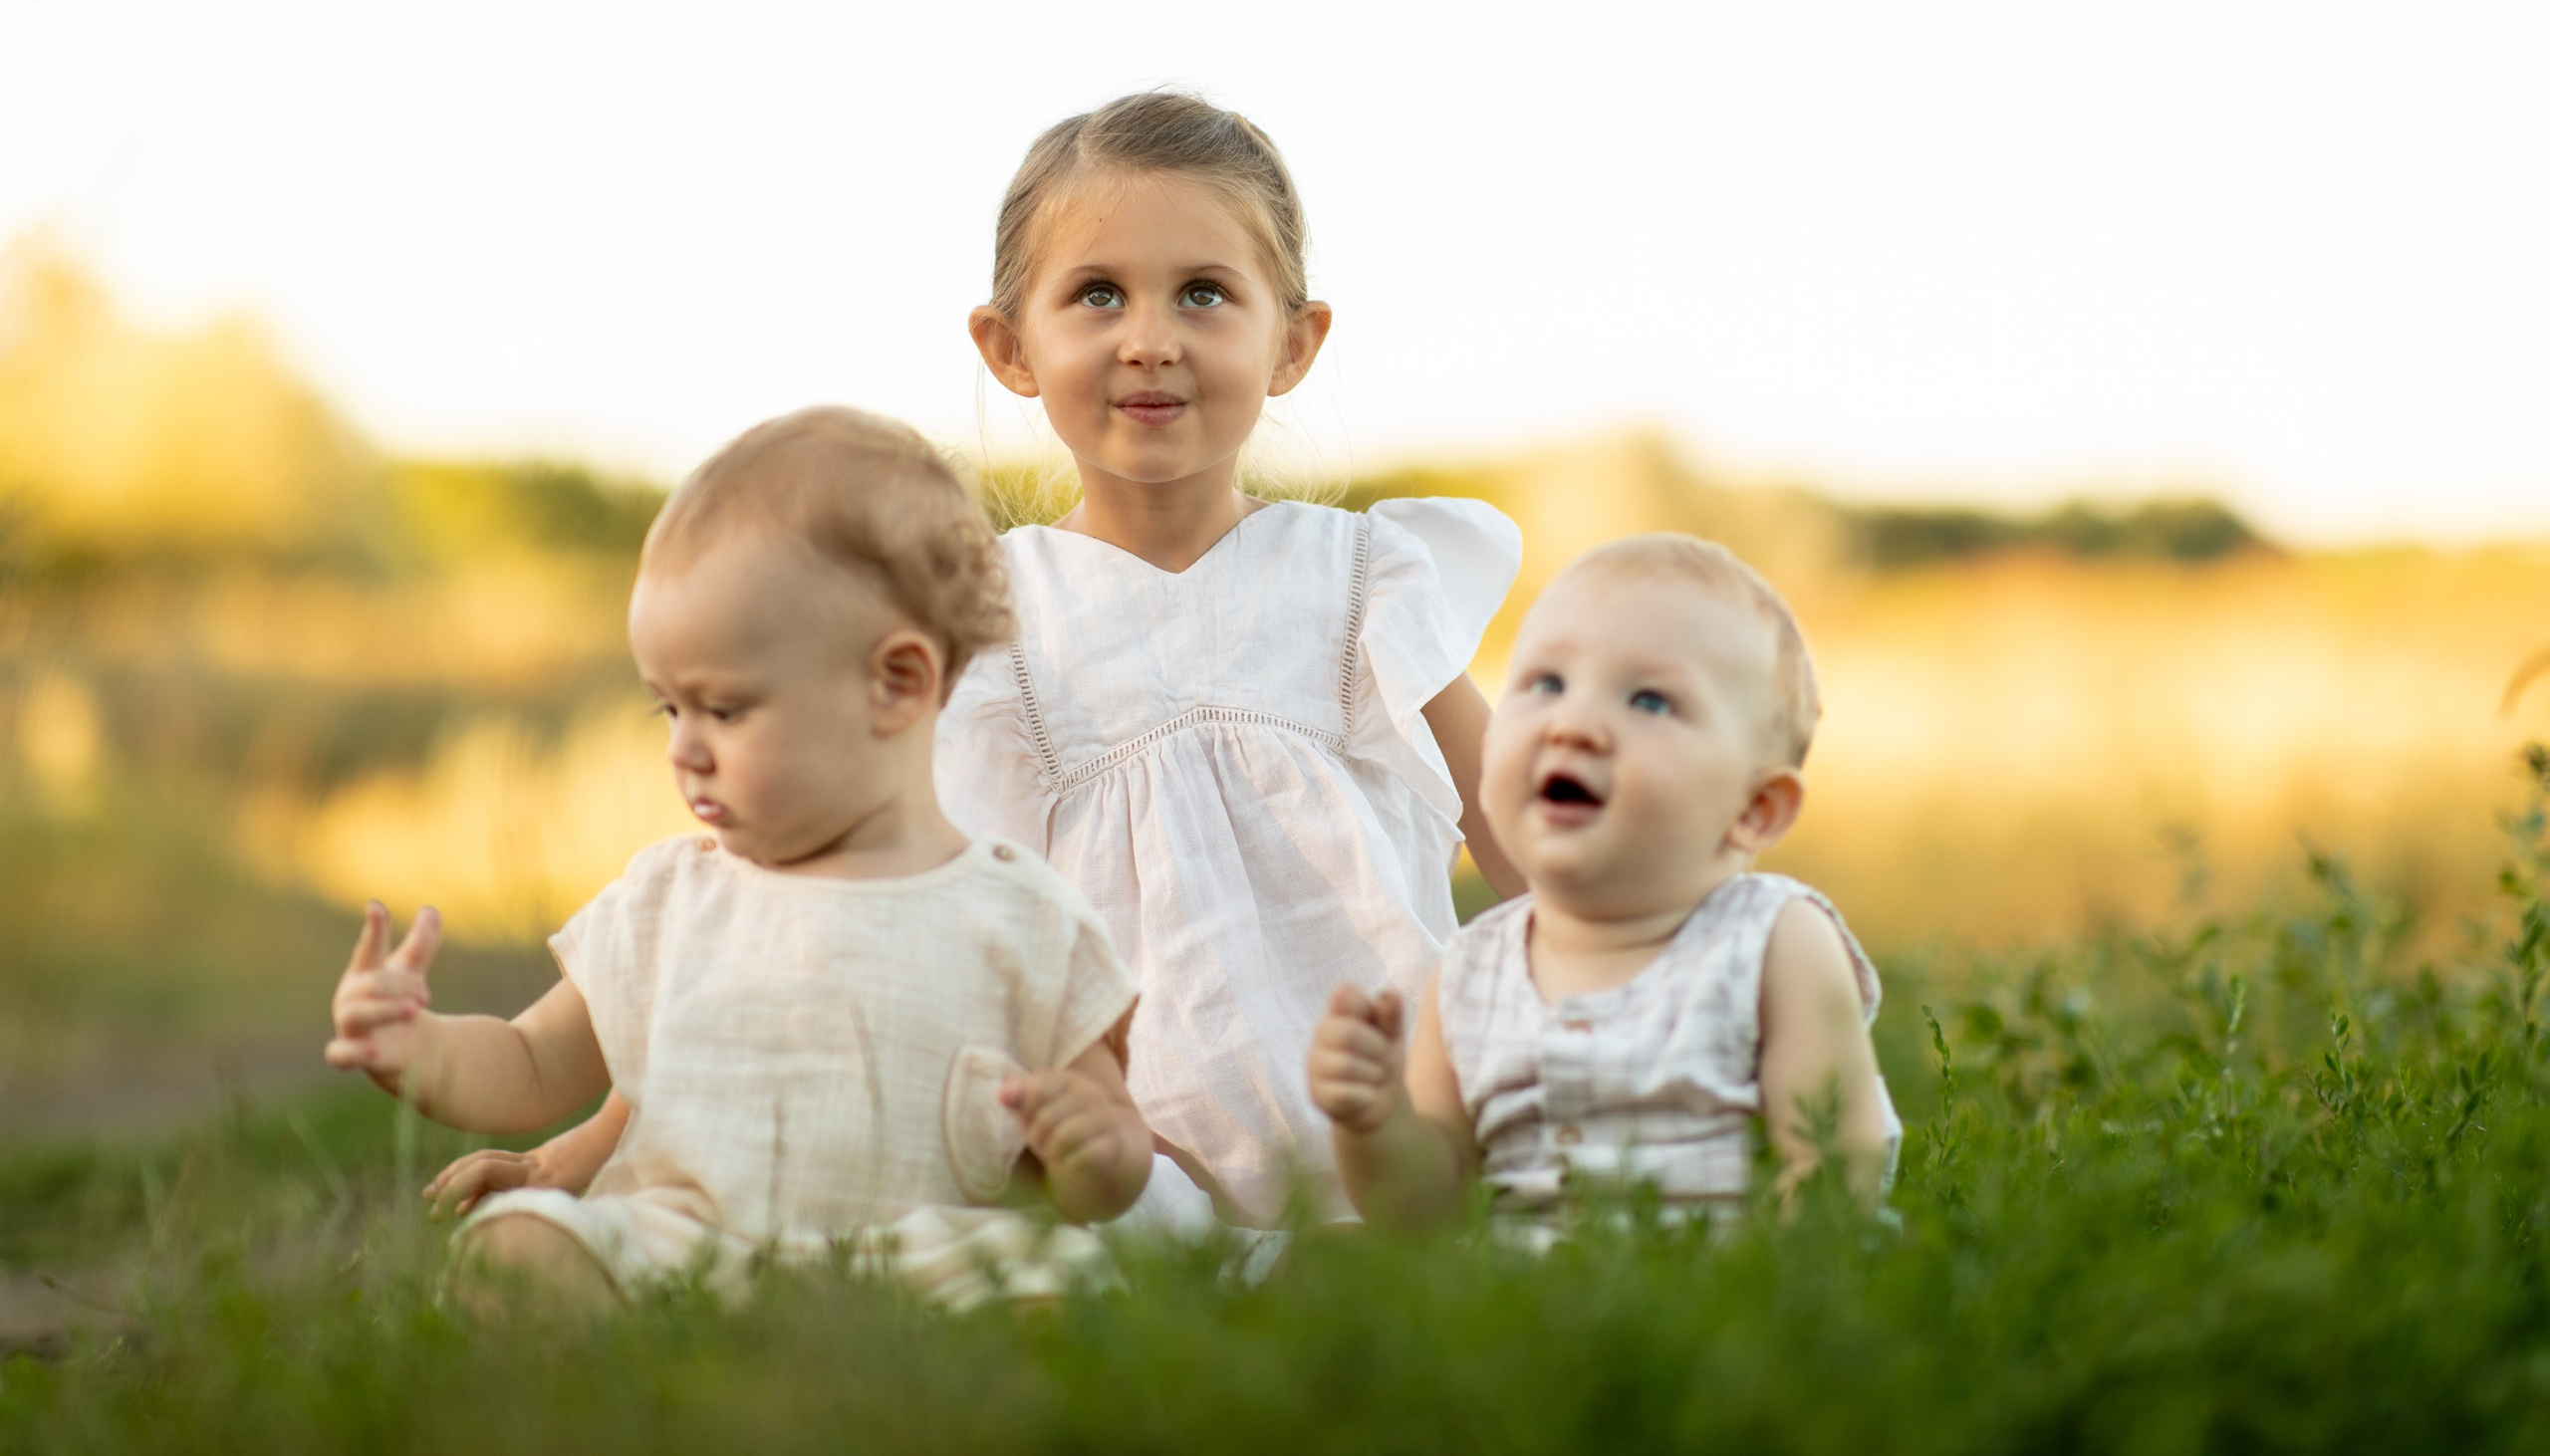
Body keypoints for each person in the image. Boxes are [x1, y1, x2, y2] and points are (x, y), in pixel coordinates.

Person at [430, 91, 1526, 1231]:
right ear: (1011, 348)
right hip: (1124, 1142)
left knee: (1487, 1194)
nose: (1148, 336)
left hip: (1384, 1105)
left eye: (1203, 293)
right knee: (1065, 1205)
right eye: (1097, 294)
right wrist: (595, 1140)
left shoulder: (1360, 576)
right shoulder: (990, 622)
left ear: (1292, 342)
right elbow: (821, 895)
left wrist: (1644, 976)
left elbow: (1523, 829)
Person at [332, 408, 1153, 1310]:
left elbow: (1111, 1136)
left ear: (897, 684)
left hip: (917, 1268)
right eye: (667, 709)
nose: (683, 746)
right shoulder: (670, 900)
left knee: (1071, 1277)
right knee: (522, 1245)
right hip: (685, 1249)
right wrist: (417, 1047)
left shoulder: (1024, 917)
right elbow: (530, 1063)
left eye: (722, 709)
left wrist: (1099, 1155)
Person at [1306, 535, 1900, 1238]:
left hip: (1718, 1307)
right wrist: (1374, 1121)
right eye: (1547, 684)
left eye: (1648, 700)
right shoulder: (1471, 970)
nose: (1574, 724)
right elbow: (1424, 1209)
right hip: (1525, 1316)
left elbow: (1836, 1166)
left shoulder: (1774, 939)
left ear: (1754, 808)